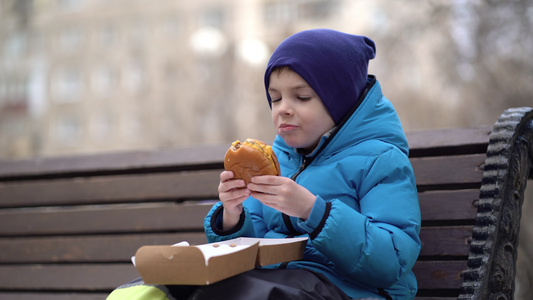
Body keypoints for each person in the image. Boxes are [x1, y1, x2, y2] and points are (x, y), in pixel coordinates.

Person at [107, 28, 421, 300]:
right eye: (275, 98)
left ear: (340, 100)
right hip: (274, 281)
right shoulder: (275, 159)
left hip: (348, 289)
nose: (283, 109)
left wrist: (313, 211)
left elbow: (392, 259)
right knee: (154, 289)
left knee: (241, 294)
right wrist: (233, 214)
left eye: (301, 97)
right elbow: (249, 246)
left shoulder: (380, 160)